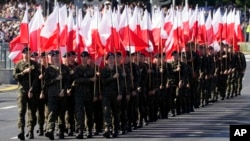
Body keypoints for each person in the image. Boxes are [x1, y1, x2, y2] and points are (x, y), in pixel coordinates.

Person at [13, 47, 40, 140]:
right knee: (21, 112)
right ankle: (21, 131)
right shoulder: (18, 64)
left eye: (29, 53)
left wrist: (32, 90)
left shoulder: (34, 64)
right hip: (22, 91)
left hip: (32, 92)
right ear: (23, 54)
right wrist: (24, 72)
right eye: (26, 53)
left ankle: (31, 130)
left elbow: (36, 79)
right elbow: (15, 77)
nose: (27, 55)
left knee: (32, 112)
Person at [44, 50, 71, 140]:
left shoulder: (64, 68)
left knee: (61, 114)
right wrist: (56, 79)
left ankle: (61, 131)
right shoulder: (48, 69)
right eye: (54, 56)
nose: (55, 58)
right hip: (52, 95)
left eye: (57, 56)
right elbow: (46, 82)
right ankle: (50, 130)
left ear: (59, 57)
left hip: (62, 94)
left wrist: (64, 90)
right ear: (52, 58)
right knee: (52, 112)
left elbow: (68, 81)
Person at [73, 51, 97, 139]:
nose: (84, 59)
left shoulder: (91, 69)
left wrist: (95, 94)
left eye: (85, 57)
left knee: (89, 113)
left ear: (87, 58)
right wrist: (89, 79)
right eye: (82, 57)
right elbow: (77, 80)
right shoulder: (77, 69)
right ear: (80, 58)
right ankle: (80, 131)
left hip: (89, 94)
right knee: (79, 113)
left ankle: (89, 130)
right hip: (79, 94)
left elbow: (95, 85)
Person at [101, 52, 124, 138]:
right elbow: (103, 81)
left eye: (112, 58)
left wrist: (120, 93)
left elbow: (122, 83)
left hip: (115, 94)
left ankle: (116, 129)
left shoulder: (118, 69)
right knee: (106, 111)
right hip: (106, 95)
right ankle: (107, 128)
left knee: (116, 112)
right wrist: (113, 78)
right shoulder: (104, 70)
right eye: (109, 59)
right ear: (106, 61)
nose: (111, 60)